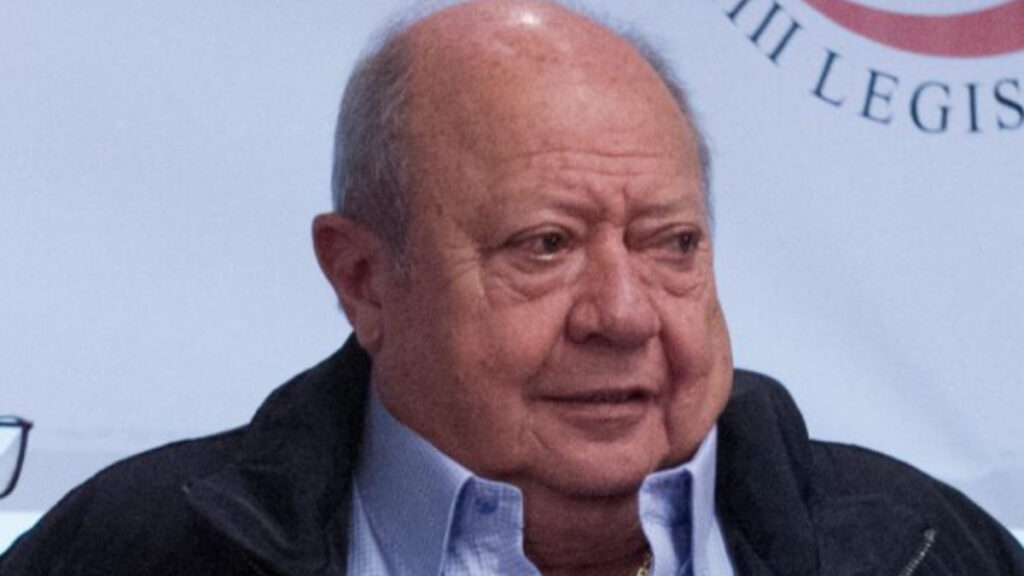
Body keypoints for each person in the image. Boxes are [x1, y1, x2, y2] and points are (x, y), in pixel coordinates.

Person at [2, 1, 1022, 575]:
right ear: (363, 278)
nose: (623, 313)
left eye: (671, 244)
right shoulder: (132, 554)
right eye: (544, 246)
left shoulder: (927, 550)